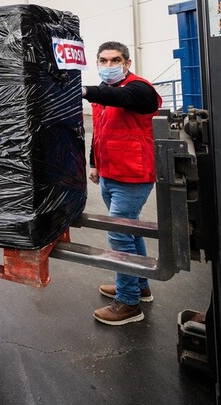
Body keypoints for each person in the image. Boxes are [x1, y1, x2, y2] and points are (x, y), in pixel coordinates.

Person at [82, 40, 161, 325]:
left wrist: (85, 91)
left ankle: (128, 303)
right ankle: (139, 285)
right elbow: (100, 133)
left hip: (133, 175)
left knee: (118, 234)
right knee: (130, 231)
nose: (108, 65)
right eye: (103, 61)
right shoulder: (106, 96)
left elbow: (127, 98)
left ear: (127, 62)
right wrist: (94, 164)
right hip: (110, 173)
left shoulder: (140, 89)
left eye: (115, 60)